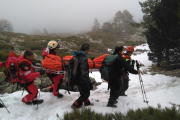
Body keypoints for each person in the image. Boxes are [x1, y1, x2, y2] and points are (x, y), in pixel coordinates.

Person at [71, 44, 93, 109]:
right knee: (86, 93)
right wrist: (89, 83)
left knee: (82, 91)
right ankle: (76, 104)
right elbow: (84, 73)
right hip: (82, 79)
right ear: (86, 50)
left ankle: (87, 102)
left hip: (76, 78)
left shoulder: (76, 56)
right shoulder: (83, 58)